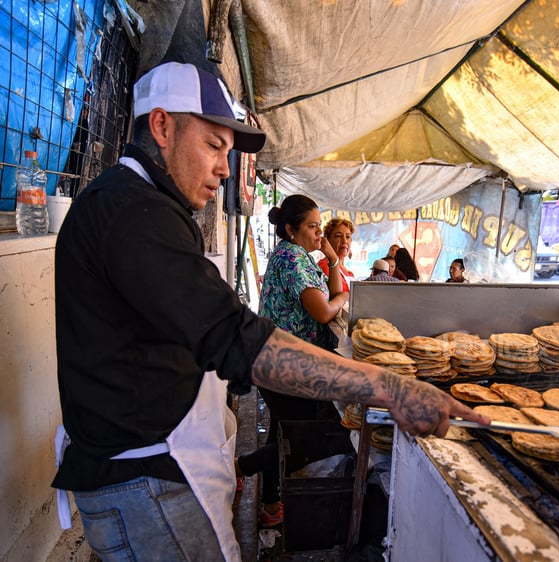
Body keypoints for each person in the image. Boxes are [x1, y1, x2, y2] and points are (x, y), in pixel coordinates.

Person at [51, 61, 488, 562]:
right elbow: (238, 340)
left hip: (150, 472)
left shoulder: (142, 206)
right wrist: (386, 386)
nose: (223, 167)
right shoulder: (134, 214)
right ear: (162, 126)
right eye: (213, 145)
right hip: (146, 486)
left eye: (228, 152)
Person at [237, 194, 349, 527]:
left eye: (320, 226)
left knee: (280, 431)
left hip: (279, 362)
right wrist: (344, 296)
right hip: (284, 365)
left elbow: (325, 294)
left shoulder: (297, 255)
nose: (321, 234)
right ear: (291, 229)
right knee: (301, 436)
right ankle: (240, 468)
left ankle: (271, 505)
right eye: (313, 227)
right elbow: (324, 310)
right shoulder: (292, 259)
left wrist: (333, 262)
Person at [318, 217, 356, 292]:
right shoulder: (324, 266)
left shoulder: (349, 273)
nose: (344, 241)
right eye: (338, 236)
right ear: (328, 240)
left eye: (348, 237)